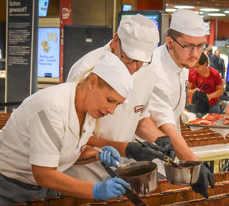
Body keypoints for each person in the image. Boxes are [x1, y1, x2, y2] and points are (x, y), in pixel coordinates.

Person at [0, 52, 134, 206]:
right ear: (92, 82)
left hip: (39, 189)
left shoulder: (89, 111)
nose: (111, 110)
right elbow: (44, 174)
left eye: (117, 104)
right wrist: (95, 190)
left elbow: (65, 152)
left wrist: (98, 155)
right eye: (110, 100)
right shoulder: (53, 107)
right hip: (1, 185)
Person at [64, 15, 175, 183]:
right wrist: (127, 149)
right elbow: (74, 136)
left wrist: (159, 138)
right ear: (116, 39)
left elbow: (139, 116)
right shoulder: (87, 70)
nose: (133, 68)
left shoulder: (148, 70)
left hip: (121, 169)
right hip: (84, 173)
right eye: (128, 58)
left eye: (140, 62)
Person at [149, 9, 215, 198]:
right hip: (146, 155)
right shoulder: (156, 68)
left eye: (200, 46)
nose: (196, 54)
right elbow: (165, 123)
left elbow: (174, 114)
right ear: (170, 42)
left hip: (169, 151)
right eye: (188, 46)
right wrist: (194, 162)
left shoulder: (183, 62)